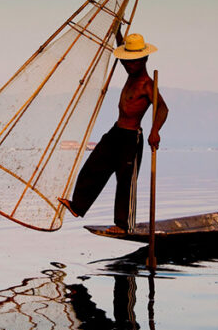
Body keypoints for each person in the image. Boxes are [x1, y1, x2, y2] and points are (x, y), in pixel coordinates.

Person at [58, 32, 168, 234]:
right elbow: (122, 50)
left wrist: (155, 131)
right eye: (126, 61)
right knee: (94, 165)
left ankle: (124, 225)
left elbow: (162, 108)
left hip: (131, 137)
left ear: (144, 59)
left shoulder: (146, 84)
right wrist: (118, 31)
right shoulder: (131, 74)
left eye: (132, 61)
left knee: (125, 181)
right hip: (116, 132)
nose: (127, 65)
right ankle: (78, 205)